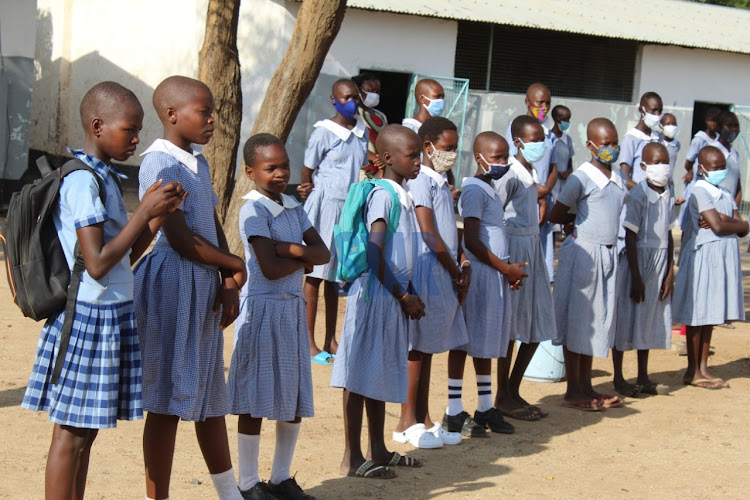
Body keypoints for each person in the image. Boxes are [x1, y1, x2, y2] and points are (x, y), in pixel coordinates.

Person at [21, 81, 186, 500]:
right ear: (97, 126)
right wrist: (144, 211)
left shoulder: (105, 178)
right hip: (87, 318)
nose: (136, 139)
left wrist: (155, 217)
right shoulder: (82, 182)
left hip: (109, 313)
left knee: (86, 433)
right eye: (129, 130)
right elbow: (95, 263)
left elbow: (120, 258)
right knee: (71, 434)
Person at [134, 76, 247, 500]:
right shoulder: (160, 164)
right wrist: (234, 263)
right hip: (173, 286)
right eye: (204, 111)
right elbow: (180, 238)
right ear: (171, 115)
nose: (213, 119)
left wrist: (227, 281)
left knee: (207, 395)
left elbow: (212, 224)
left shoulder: (197, 161)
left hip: (202, 283)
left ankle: (228, 493)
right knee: (167, 401)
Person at [230, 134, 330, 499]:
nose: (279, 173)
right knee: (255, 399)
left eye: (284, 166)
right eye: (270, 167)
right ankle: (247, 483)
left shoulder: (293, 207)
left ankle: (281, 478)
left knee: (293, 396)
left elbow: (323, 254)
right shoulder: (252, 210)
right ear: (250, 171)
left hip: (290, 310)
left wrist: (288, 248)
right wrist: (301, 256)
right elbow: (269, 269)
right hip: (262, 309)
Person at [331, 124, 425, 479]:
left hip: (391, 294)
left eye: (419, 154)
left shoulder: (400, 194)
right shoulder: (383, 195)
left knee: (378, 370)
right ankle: (352, 457)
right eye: (411, 155)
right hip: (375, 294)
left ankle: (378, 448)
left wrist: (409, 291)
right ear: (386, 158)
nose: (418, 161)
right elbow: (375, 253)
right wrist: (403, 295)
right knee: (358, 374)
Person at [442, 131, 525, 436]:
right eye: (496, 158)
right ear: (479, 158)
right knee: (466, 342)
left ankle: (486, 407)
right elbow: (473, 241)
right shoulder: (475, 189)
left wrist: (506, 272)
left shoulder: (489, 188)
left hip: (494, 276)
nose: (503, 163)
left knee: (485, 342)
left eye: (506, 157)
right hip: (481, 275)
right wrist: (505, 268)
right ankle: (453, 410)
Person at [392, 117, 468, 449]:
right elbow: (428, 232)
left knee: (428, 346)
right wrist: (454, 270)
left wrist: (460, 261)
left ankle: (423, 417)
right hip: (428, 269)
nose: (451, 153)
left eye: (454, 148)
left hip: (442, 268)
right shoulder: (422, 180)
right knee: (416, 347)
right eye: (447, 148)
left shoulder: (439, 180)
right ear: (428, 148)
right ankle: (406, 421)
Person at [548, 118, 628, 412]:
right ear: (591, 145)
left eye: (613, 142)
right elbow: (556, 213)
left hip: (607, 254)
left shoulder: (617, 176)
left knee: (595, 321)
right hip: (583, 254)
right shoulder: (581, 177)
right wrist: (573, 222)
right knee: (578, 321)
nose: (610, 148)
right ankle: (573, 390)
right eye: (604, 144)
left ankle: (586, 385)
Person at [297, 79, 368, 364]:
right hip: (325, 205)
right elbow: (307, 168)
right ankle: (308, 343)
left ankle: (330, 339)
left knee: (336, 277)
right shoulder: (324, 132)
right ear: (334, 100)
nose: (351, 102)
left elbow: (362, 161)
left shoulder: (362, 132)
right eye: (345, 97)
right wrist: (306, 189)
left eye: (355, 96)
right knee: (316, 275)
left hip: (348, 207)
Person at [494, 116, 557, 420]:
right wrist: (503, 260)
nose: (539, 144)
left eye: (541, 138)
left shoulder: (530, 172)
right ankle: (502, 395)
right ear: (518, 141)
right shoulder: (510, 174)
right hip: (515, 252)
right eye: (533, 139)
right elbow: (495, 212)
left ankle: (513, 388)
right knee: (511, 326)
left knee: (535, 323)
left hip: (534, 249)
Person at [672, 146, 747, 389]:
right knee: (698, 314)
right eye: (714, 168)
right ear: (702, 169)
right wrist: (728, 221)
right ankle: (692, 370)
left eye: (722, 167)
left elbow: (742, 227)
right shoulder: (699, 190)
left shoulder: (724, 192)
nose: (720, 172)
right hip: (703, 257)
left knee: (711, 315)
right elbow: (717, 226)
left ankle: (703, 367)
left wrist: (726, 219)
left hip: (722, 259)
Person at [612, 143, 675, 397]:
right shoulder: (638, 195)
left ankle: (643, 375)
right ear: (643, 167)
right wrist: (636, 277)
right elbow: (629, 237)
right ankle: (618, 377)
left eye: (665, 162)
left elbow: (669, 234)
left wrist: (670, 272)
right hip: (637, 263)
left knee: (647, 319)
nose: (662, 168)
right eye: (656, 163)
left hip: (660, 264)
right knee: (626, 319)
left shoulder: (669, 191)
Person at [505, 83, 558, 282]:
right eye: (539, 102)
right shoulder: (515, 127)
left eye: (547, 103)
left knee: (541, 242)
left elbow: (554, 166)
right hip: (525, 196)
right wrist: (538, 193)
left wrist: (545, 191)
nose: (544, 107)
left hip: (542, 194)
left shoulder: (549, 133)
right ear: (528, 102)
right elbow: (512, 165)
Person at [678, 107, 720, 224]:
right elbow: (689, 160)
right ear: (706, 121)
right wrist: (690, 171)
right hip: (697, 179)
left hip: (710, 180)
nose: (713, 124)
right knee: (691, 215)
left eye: (716, 121)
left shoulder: (718, 139)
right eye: (711, 120)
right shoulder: (700, 139)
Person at [619, 92, 663, 189]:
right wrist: (645, 192)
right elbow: (624, 178)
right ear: (641, 109)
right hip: (639, 198)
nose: (657, 115)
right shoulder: (631, 139)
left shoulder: (658, 137)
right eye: (653, 110)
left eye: (660, 111)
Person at [352, 73, 388, 179]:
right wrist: (373, 157)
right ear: (358, 90)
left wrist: (383, 159)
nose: (374, 95)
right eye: (370, 90)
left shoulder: (381, 116)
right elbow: (352, 143)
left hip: (379, 168)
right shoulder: (353, 115)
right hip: (360, 170)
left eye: (377, 92)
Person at [709, 110, 742, 208]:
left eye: (736, 126)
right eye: (729, 125)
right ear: (719, 127)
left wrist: (734, 207)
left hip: (730, 208)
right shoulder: (712, 150)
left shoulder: (735, 154)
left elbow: (738, 186)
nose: (733, 129)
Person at [550, 105, 575, 213]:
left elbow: (570, 161)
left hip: (564, 183)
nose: (567, 123)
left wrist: (568, 172)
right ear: (556, 119)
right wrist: (556, 172)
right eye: (565, 120)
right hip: (551, 183)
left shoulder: (567, 140)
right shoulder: (548, 138)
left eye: (568, 120)